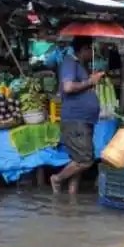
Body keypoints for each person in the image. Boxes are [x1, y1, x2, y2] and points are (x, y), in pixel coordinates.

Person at [50, 38, 104, 195]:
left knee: (78, 157)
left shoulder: (80, 66)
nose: (92, 53)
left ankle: (72, 194)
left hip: (84, 119)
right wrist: (90, 82)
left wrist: (89, 80)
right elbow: (68, 87)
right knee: (85, 159)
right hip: (76, 119)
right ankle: (57, 179)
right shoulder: (69, 63)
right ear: (83, 49)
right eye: (90, 49)